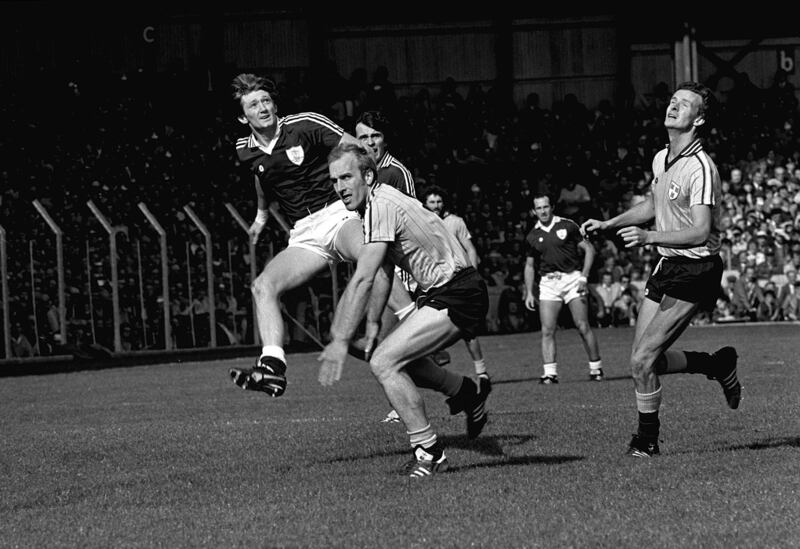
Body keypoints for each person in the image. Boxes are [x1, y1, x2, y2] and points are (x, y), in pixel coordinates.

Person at [581, 81, 742, 458]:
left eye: (685, 105)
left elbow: (702, 230)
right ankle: (716, 363)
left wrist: (650, 236)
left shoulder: (702, 167)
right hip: (669, 264)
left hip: (696, 268)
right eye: (673, 100)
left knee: (642, 360)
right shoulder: (661, 157)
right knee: (642, 359)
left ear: (698, 119)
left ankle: (647, 441)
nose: (674, 106)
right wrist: (609, 223)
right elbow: (653, 204)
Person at [226, 73, 411, 398]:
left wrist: (366, 190)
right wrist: (261, 215)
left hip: (338, 214)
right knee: (263, 286)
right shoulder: (244, 149)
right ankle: (272, 369)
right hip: (304, 233)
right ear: (243, 117)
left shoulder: (305, 123)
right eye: (254, 104)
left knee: (372, 256)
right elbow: (261, 178)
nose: (263, 107)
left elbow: (353, 147)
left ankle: (413, 319)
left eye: (266, 100)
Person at [318, 144, 490, 478]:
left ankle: (429, 451)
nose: (339, 187)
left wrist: (339, 340)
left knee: (384, 362)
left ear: (367, 176)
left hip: (458, 291)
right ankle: (466, 392)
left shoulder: (381, 204)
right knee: (396, 357)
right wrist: (370, 325)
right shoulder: (376, 204)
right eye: (334, 180)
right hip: (447, 291)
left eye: (346, 177)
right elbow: (383, 273)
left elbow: (365, 276)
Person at [524, 193, 604, 383]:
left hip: (572, 280)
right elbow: (529, 265)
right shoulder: (532, 235)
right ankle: (550, 374)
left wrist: (584, 276)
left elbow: (589, 250)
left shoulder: (568, 225)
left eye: (545, 207)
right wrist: (528, 291)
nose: (542, 211)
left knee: (582, 325)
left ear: (552, 207)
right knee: (547, 330)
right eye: (538, 208)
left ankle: (596, 369)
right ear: (533, 211)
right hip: (548, 283)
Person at [422, 185, 492, 385]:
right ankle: (436, 365)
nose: (436, 206)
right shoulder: (422, 221)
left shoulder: (455, 222)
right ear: (425, 204)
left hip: (458, 279)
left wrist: (474, 274)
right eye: (432, 202)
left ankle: (481, 371)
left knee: (468, 330)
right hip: (435, 282)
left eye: (439, 201)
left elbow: (470, 249)